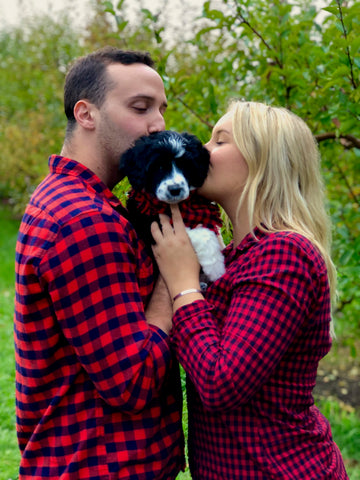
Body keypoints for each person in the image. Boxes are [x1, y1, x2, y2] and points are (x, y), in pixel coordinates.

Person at [151, 100, 349, 479]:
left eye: (220, 141)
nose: (202, 150)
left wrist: (183, 286)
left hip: (281, 469)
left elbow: (219, 382)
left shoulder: (285, 253)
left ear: (264, 162)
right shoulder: (235, 258)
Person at [14, 46, 185, 479]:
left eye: (161, 109)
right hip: (102, 466)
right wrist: (175, 279)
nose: (159, 124)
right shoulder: (85, 220)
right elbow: (134, 380)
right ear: (86, 114)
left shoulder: (71, 199)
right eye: (140, 107)